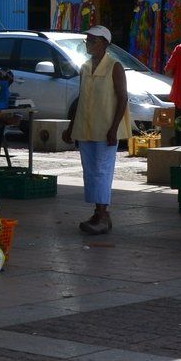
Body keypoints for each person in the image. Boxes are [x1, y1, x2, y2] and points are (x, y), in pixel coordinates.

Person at [61, 25, 131, 235]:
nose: (88, 44)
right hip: (86, 126)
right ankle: (99, 212)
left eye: (93, 41)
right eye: (87, 41)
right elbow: (81, 99)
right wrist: (71, 127)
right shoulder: (85, 67)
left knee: (102, 170)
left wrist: (114, 128)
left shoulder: (114, 66)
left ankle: (102, 213)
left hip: (106, 128)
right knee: (90, 171)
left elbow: (123, 98)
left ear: (104, 44)